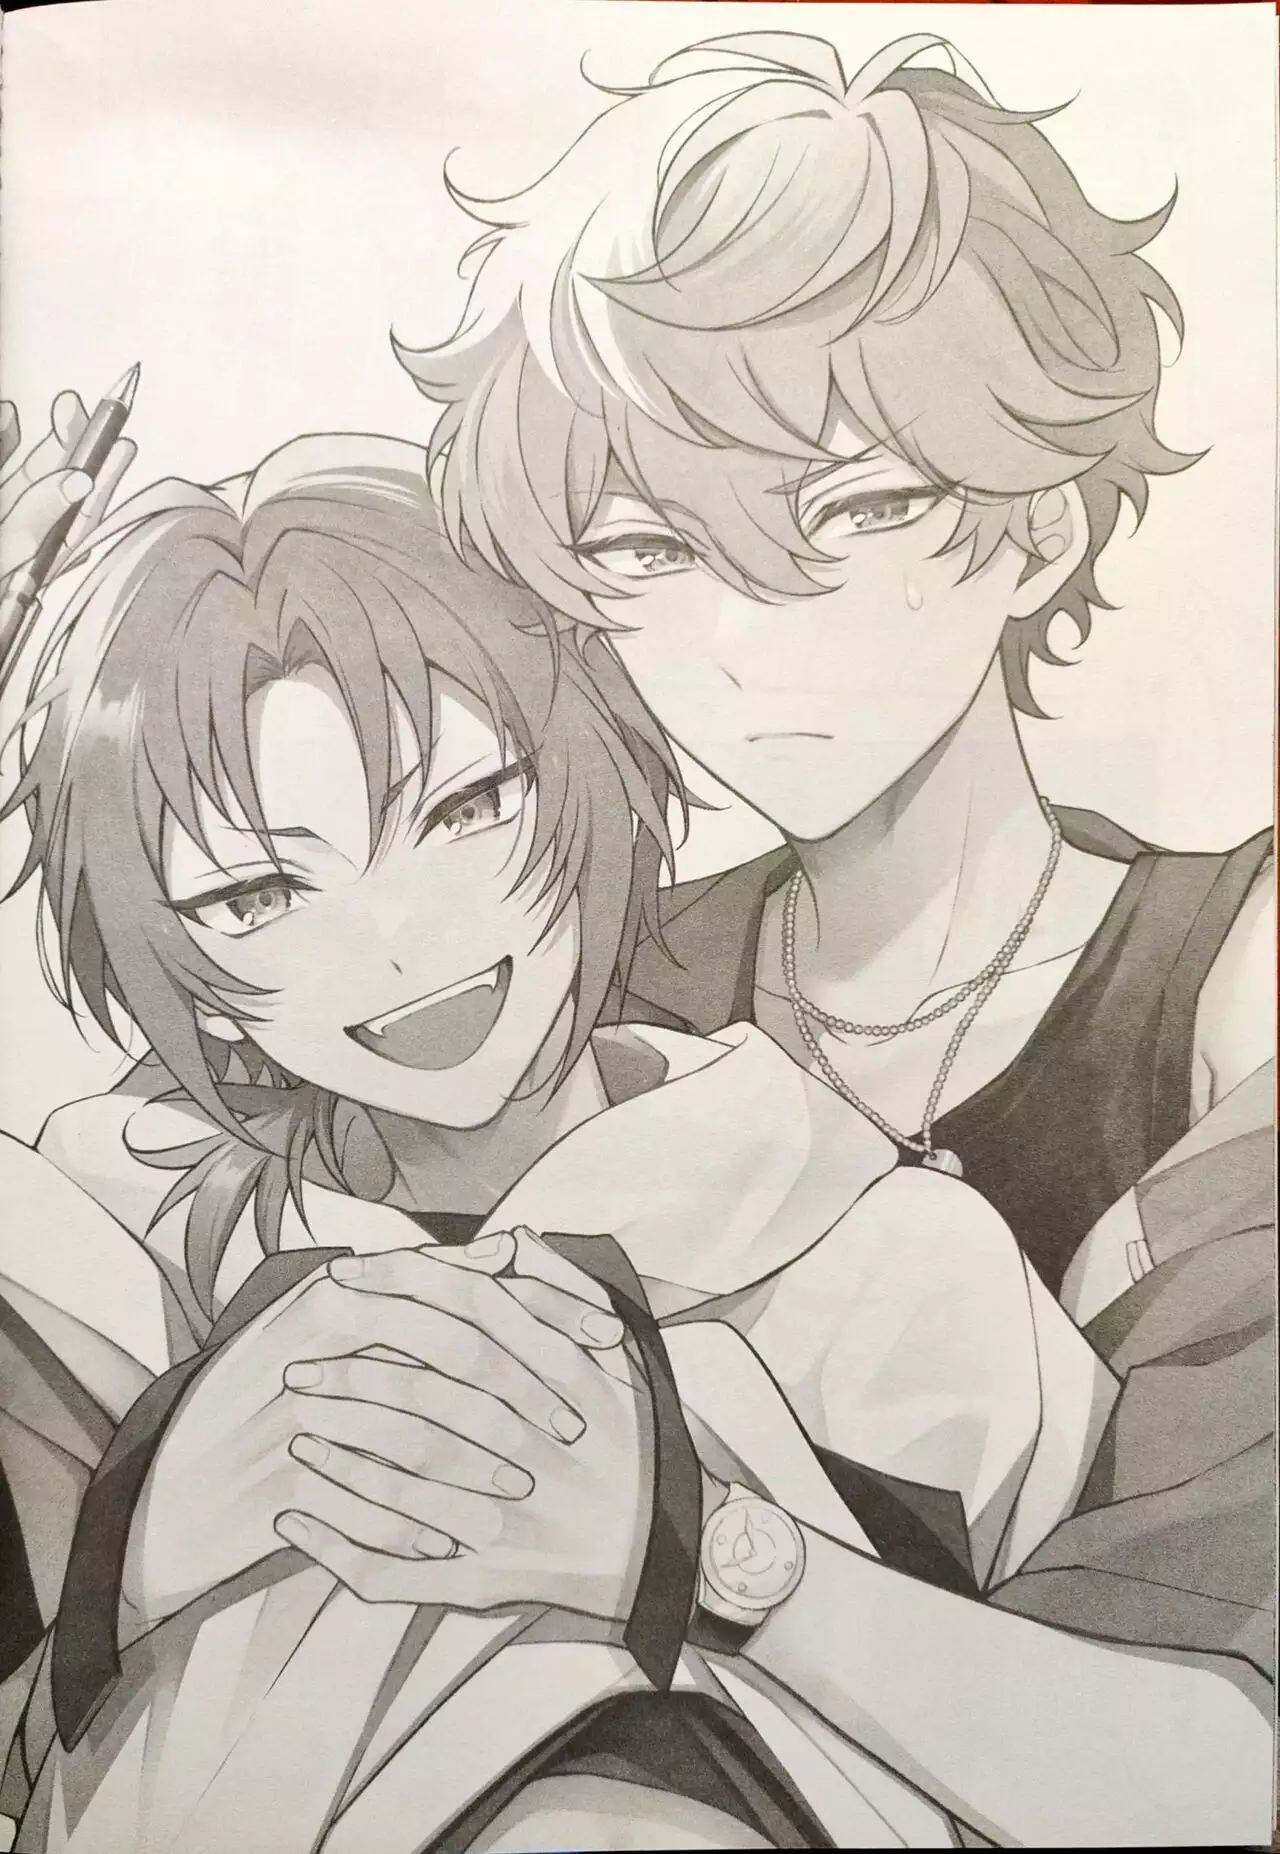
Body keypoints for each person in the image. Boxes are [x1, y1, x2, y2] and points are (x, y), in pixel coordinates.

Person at [0, 431, 1116, 1850]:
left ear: (590, 771)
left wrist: (707, 1547)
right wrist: (145, 1543)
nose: (400, 938)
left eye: (468, 809)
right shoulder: (101, 1261)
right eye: (257, 894)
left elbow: (1138, 1762)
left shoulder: (883, 1250)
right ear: (180, 967)